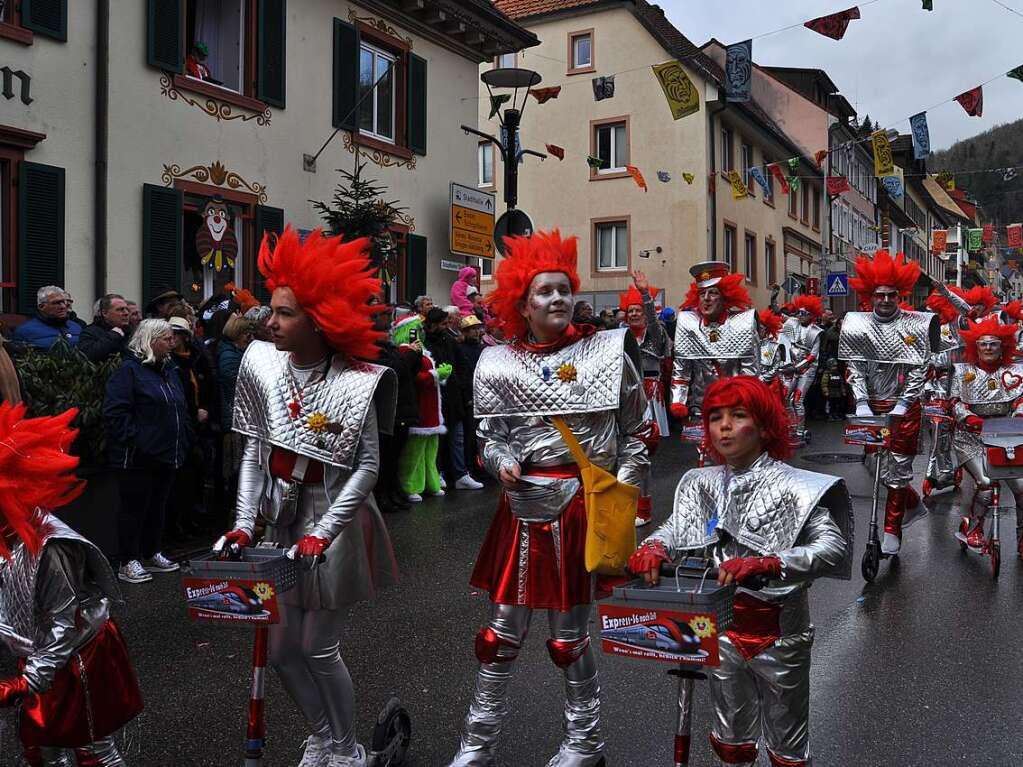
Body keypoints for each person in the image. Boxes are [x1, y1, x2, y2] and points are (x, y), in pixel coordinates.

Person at [448, 229, 649, 767]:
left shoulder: (608, 353)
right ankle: (476, 745)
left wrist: (620, 496)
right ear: (523, 303)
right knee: (497, 637)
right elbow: (490, 436)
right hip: (522, 511)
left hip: (583, 509)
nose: (556, 298)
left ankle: (585, 742)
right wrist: (499, 462)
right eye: (544, 292)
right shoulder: (496, 364)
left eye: (563, 289)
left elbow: (636, 435)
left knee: (568, 641)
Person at [219, 227, 398, 767]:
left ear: (320, 318)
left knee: (318, 648)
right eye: (271, 311)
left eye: (284, 313)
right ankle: (321, 735)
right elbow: (252, 451)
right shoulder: (260, 363)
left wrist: (325, 530)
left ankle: (349, 748)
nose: (269, 322)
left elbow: (367, 465)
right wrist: (244, 524)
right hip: (281, 522)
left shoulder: (357, 379)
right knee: (280, 652)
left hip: (334, 523)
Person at [629, 376, 851, 767]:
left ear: (765, 427)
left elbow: (831, 546)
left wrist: (773, 563)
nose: (724, 427)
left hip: (779, 631)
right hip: (718, 628)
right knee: (730, 740)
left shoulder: (796, 487)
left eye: (738, 415)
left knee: (787, 748)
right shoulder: (702, 482)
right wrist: (654, 546)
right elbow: (678, 527)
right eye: (715, 417)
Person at [0, 403, 144, 767]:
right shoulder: (5, 534)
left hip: (79, 653)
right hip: (39, 653)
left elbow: (63, 625)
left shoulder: (50, 549)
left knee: (91, 749)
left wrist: (26, 683)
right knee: (40, 747)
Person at [839, 250, 939, 556]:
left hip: (903, 411)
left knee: (896, 470)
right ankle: (912, 502)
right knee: (874, 465)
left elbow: (919, 368)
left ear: (899, 296)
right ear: (871, 296)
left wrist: (904, 402)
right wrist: (861, 402)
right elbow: (854, 366)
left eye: (891, 296)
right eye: (880, 295)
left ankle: (891, 529)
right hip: (872, 409)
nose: (885, 301)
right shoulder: (857, 324)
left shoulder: (915, 325)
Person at [103, 319, 192, 583]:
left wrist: (183, 438)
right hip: (138, 457)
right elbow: (115, 413)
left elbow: (180, 407)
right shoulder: (129, 372)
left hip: (167, 453)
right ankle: (128, 560)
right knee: (134, 509)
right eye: (166, 338)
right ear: (150, 340)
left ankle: (151, 551)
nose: (172, 342)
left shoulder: (169, 371)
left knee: (157, 506)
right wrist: (138, 441)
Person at [949, 316, 1023, 555]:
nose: (989, 348)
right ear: (975, 347)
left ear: (1003, 346)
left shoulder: (1015, 372)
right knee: (986, 483)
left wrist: (1019, 415)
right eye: (984, 344)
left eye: (993, 343)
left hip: (1006, 438)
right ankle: (975, 528)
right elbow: (955, 402)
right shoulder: (962, 372)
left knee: (1022, 487)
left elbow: (1022, 400)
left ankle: (1022, 537)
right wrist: (970, 419)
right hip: (970, 439)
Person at [670, 261, 759, 422]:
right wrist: (678, 400)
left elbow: (750, 374)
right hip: (701, 406)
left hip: (735, 405)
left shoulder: (743, 324)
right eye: (702, 294)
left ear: (725, 296)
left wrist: (746, 404)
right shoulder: (687, 324)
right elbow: (681, 370)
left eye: (713, 293)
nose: (706, 299)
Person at [620, 270, 670, 526]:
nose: (634, 314)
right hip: (627, 398)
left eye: (638, 310)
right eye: (630, 311)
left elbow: (653, 321)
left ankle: (645, 509)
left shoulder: (656, 333)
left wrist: (645, 295)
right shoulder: (621, 336)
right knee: (628, 455)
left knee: (643, 456)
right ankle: (630, 506)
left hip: (649, 395)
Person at [425, 307, 483, 491]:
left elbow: (462, 365)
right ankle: (439, 472)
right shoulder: (426, 342)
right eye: (443, 324)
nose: (446, 327)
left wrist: (459, 383)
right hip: (437, 397)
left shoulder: (450, 341)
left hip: (454, 395)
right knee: (439, 439)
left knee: (458, 437)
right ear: (433, 324)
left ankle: (460, 474)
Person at [393, 312, 447, 503]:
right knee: (413, 452)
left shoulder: (421, 350)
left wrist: (440, 375)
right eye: (417, 328)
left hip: (431, 405)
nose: (421, 331)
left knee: (430, 450)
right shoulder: (404, 351)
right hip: (419, 405)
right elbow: (413, 378)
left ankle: (431, 483)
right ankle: (410, 485)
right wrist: (435, 374)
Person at [375, 307, 422, 512]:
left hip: (402, 408)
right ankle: (383, 495)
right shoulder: (377, 350)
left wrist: (416, 355)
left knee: (395, 457)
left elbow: (410, 371)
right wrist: (410, 354)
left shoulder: (391, 348)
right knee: (385, 457)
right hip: (389, 411)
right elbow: (395, 370)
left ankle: (394, 491)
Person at [779, 295, 824, 445]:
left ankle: (799, 432)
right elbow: (779, 315)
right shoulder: (792, 324)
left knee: (797, 400)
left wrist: (797, 367)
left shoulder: (816, 332)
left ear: (811, 315)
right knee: (786, 398)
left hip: (807, 370)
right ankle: (791, 428)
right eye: (799, 313)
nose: (800, 316)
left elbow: (813, 356)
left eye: (803, 314)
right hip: (792, 368)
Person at [458, 314, 486, 481]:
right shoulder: (461, 349)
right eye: (473, 329)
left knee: (482, 433)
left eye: (477, 328)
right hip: (471, 396)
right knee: (470, 434)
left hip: (483, 395)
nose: (476, 332)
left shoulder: (482, 349)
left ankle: (480, 463)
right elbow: (464, 375)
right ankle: (469, 465)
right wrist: (468, 396)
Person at [13, 286, 83, 350]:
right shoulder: (25, 331)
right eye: (56, 303)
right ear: (41, 307)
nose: (63, 306)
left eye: (64, 302)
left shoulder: (76, 327)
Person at [79, 293, 131, 362]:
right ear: (105, 313)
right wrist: (113, 335)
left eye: (127, 309)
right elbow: (87, 356)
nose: (126, 313)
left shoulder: (131, 332)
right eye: (120, 309)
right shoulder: (90, 332)